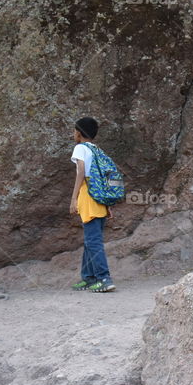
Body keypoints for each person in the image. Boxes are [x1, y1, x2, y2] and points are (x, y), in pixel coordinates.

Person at [69, 117, 116, 292]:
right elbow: (105, 177)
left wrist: (73, 198)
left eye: (74, 130)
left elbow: (81, 171)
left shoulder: (80, 148)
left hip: (88, 198)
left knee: (93, 241)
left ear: (79, 133)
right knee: (90, 240)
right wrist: (108, 204)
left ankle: (104, 278)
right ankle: (88, 278)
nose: (73, 134)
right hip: (100, 199)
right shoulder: (97, 150)